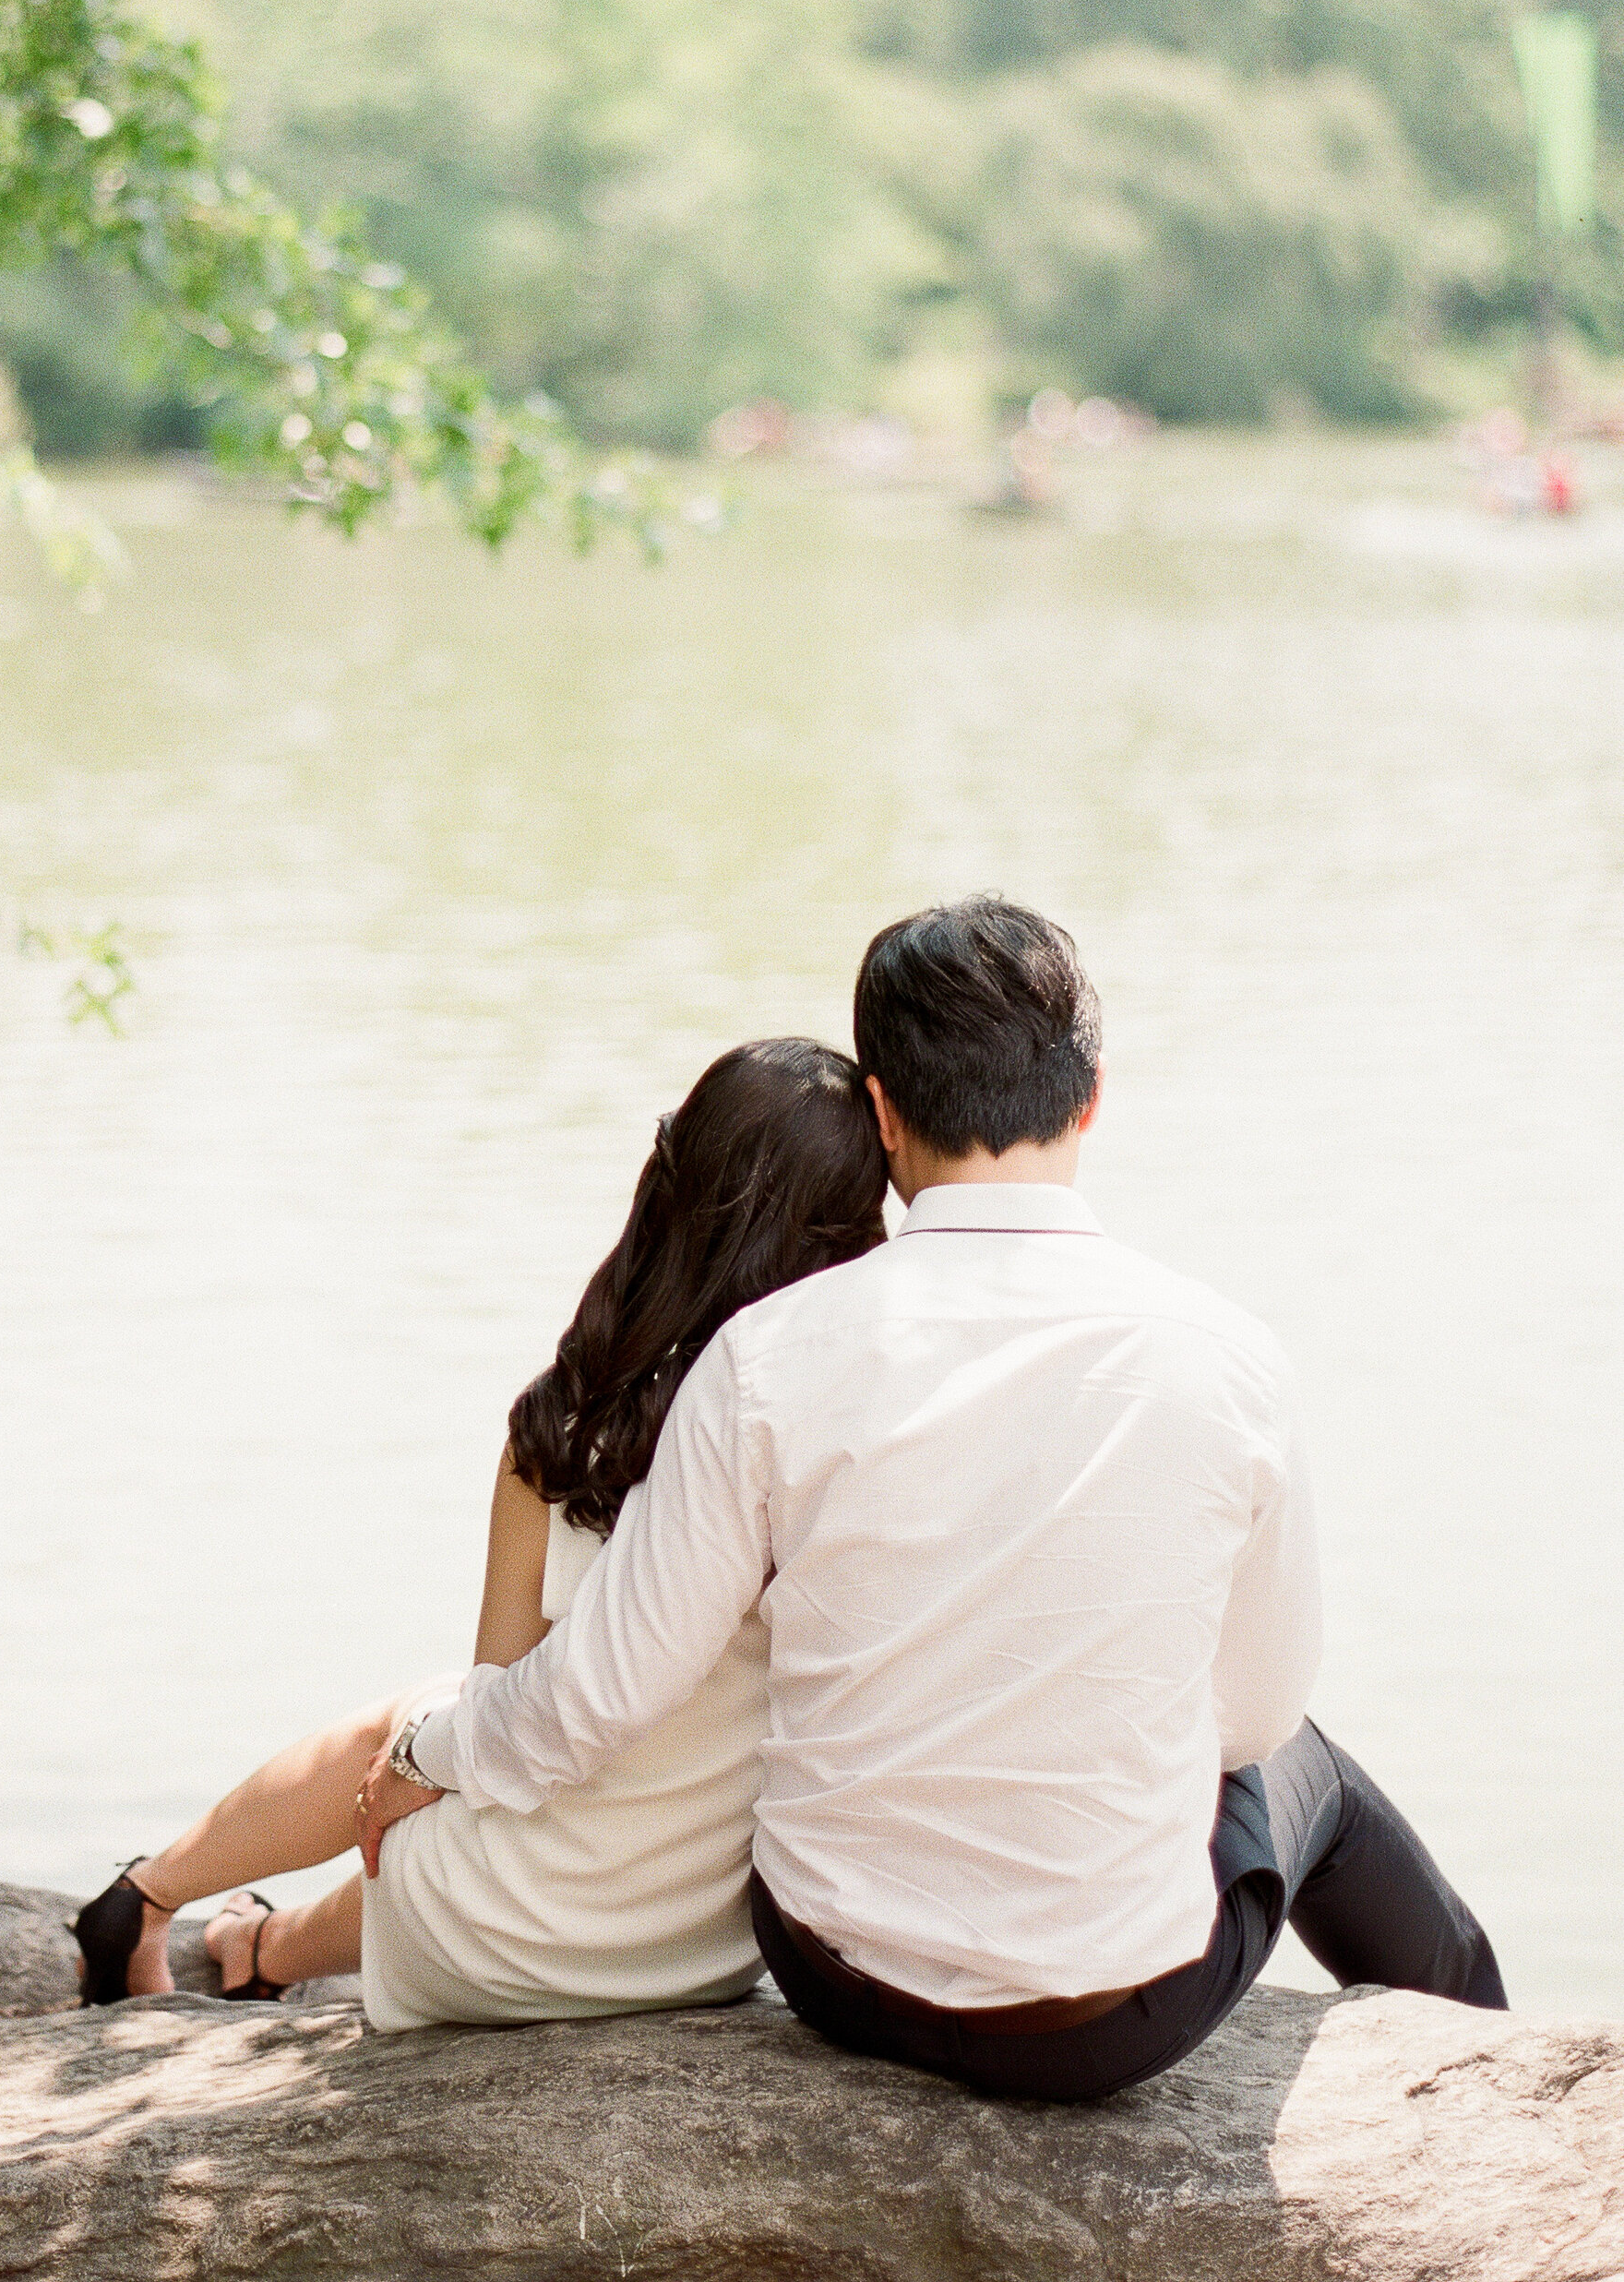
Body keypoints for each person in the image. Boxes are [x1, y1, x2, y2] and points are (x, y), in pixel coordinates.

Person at [360, 897, 1506, 2102]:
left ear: (883, 1115)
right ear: (1094, 1095)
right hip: (1108, 2019)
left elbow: (590, 1699)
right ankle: (1491, 2077)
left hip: (837, 1973)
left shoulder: (761, 1359)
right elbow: (1252, 1720)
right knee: (1306, 1754)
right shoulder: (1224, 1355)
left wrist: (428, 1744)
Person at [73, 1034, 888, 2023]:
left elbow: (497, 1708)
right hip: (702, 1948)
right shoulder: (849, 1443)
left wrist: (422, 1756)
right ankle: (252, 1947)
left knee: (428, 1730)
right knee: (445, 1747)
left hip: (510, 1934)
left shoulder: (563, 1429)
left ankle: (164, 1901)